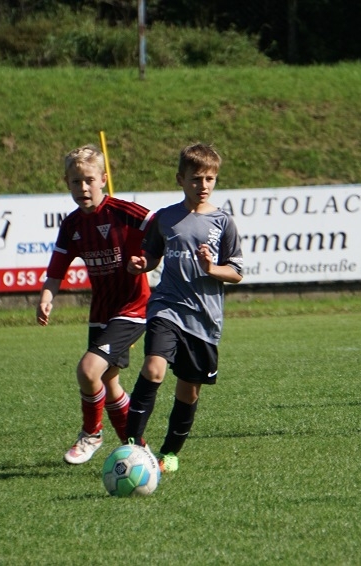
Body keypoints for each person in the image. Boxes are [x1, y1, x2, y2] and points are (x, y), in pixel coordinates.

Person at [124, 143, 244, 472]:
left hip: (204, 318)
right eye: (196, 179)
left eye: (210, 179)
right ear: (180, 179)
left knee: (188, 391)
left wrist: (211, 268)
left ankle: (169, 454)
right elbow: (151, 256)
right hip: (167, 306)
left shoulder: (223, 222)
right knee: (154, 368)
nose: (203, 185)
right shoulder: (165, 218)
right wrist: (141, 264)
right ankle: (131, 445)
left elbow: (236, 272)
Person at [37, 145, 154, 464]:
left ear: (103, 179)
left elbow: (161, 228)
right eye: (76, 182)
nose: (84, 187)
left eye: (89, 180)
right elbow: (56, 271)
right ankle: (138, 448)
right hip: (101, 312)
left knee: (88, 370)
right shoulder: (72, 225)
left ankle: (92, 434)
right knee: (108, 381)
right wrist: (47, 297)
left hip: (133, 308)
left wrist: (147, 260)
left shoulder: (123, 212)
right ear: (67, 183)